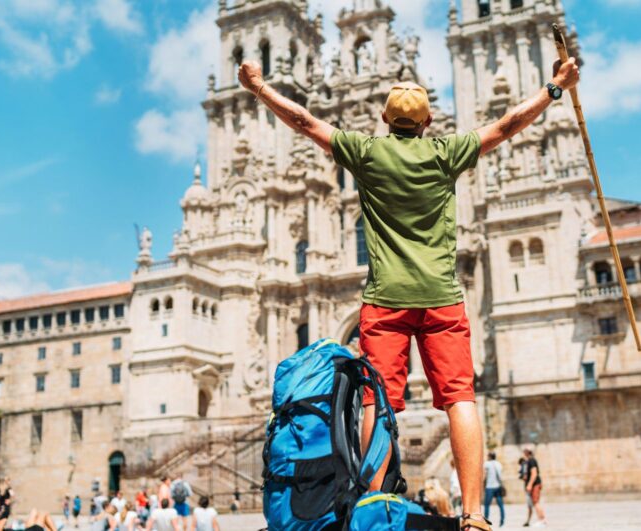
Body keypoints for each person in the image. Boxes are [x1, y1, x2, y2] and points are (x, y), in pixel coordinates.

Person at [238, 47, 580, 531]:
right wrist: (555, 88)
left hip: (383, 300)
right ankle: (475, 514)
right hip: (442, 294)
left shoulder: (366, 152)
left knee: (379, 402)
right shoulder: (446, 153)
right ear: (427, 121)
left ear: (383, 119)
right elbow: (505, 127)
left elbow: (303, 122)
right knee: (460, 398)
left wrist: (258, 87)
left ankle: (370, 504)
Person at [521, 449, 545, 527]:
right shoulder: (529, 461)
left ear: (527, 453)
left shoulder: (531, 460)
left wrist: (530, 484)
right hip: (534, 484)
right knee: (535, 503)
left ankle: (542, 520)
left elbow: (534, 474)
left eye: (524, 452)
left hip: (535, 484)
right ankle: (541, 520)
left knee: (536, 502)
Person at [481, 452, 505, 527]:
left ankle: (486, 520)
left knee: (487, 505)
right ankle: (502, 520)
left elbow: (484, 474)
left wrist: (483, 484)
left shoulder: (487, 464)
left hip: (490, 487)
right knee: (500, 505)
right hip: (498, 486)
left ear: (490, 457)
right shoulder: (499, 464)